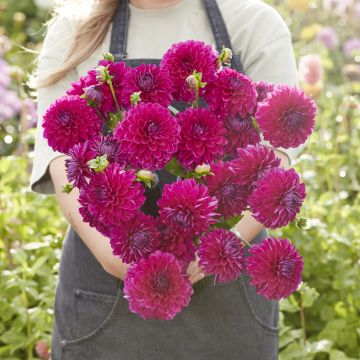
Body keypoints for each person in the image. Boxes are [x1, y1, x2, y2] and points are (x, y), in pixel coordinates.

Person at [30, 0, 301, 359]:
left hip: (225, 285)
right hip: (105, 285)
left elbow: (276, 155)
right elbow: (61, 157)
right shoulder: (74, 29)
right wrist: (115, 259)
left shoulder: (251, 22)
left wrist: (218, 250)